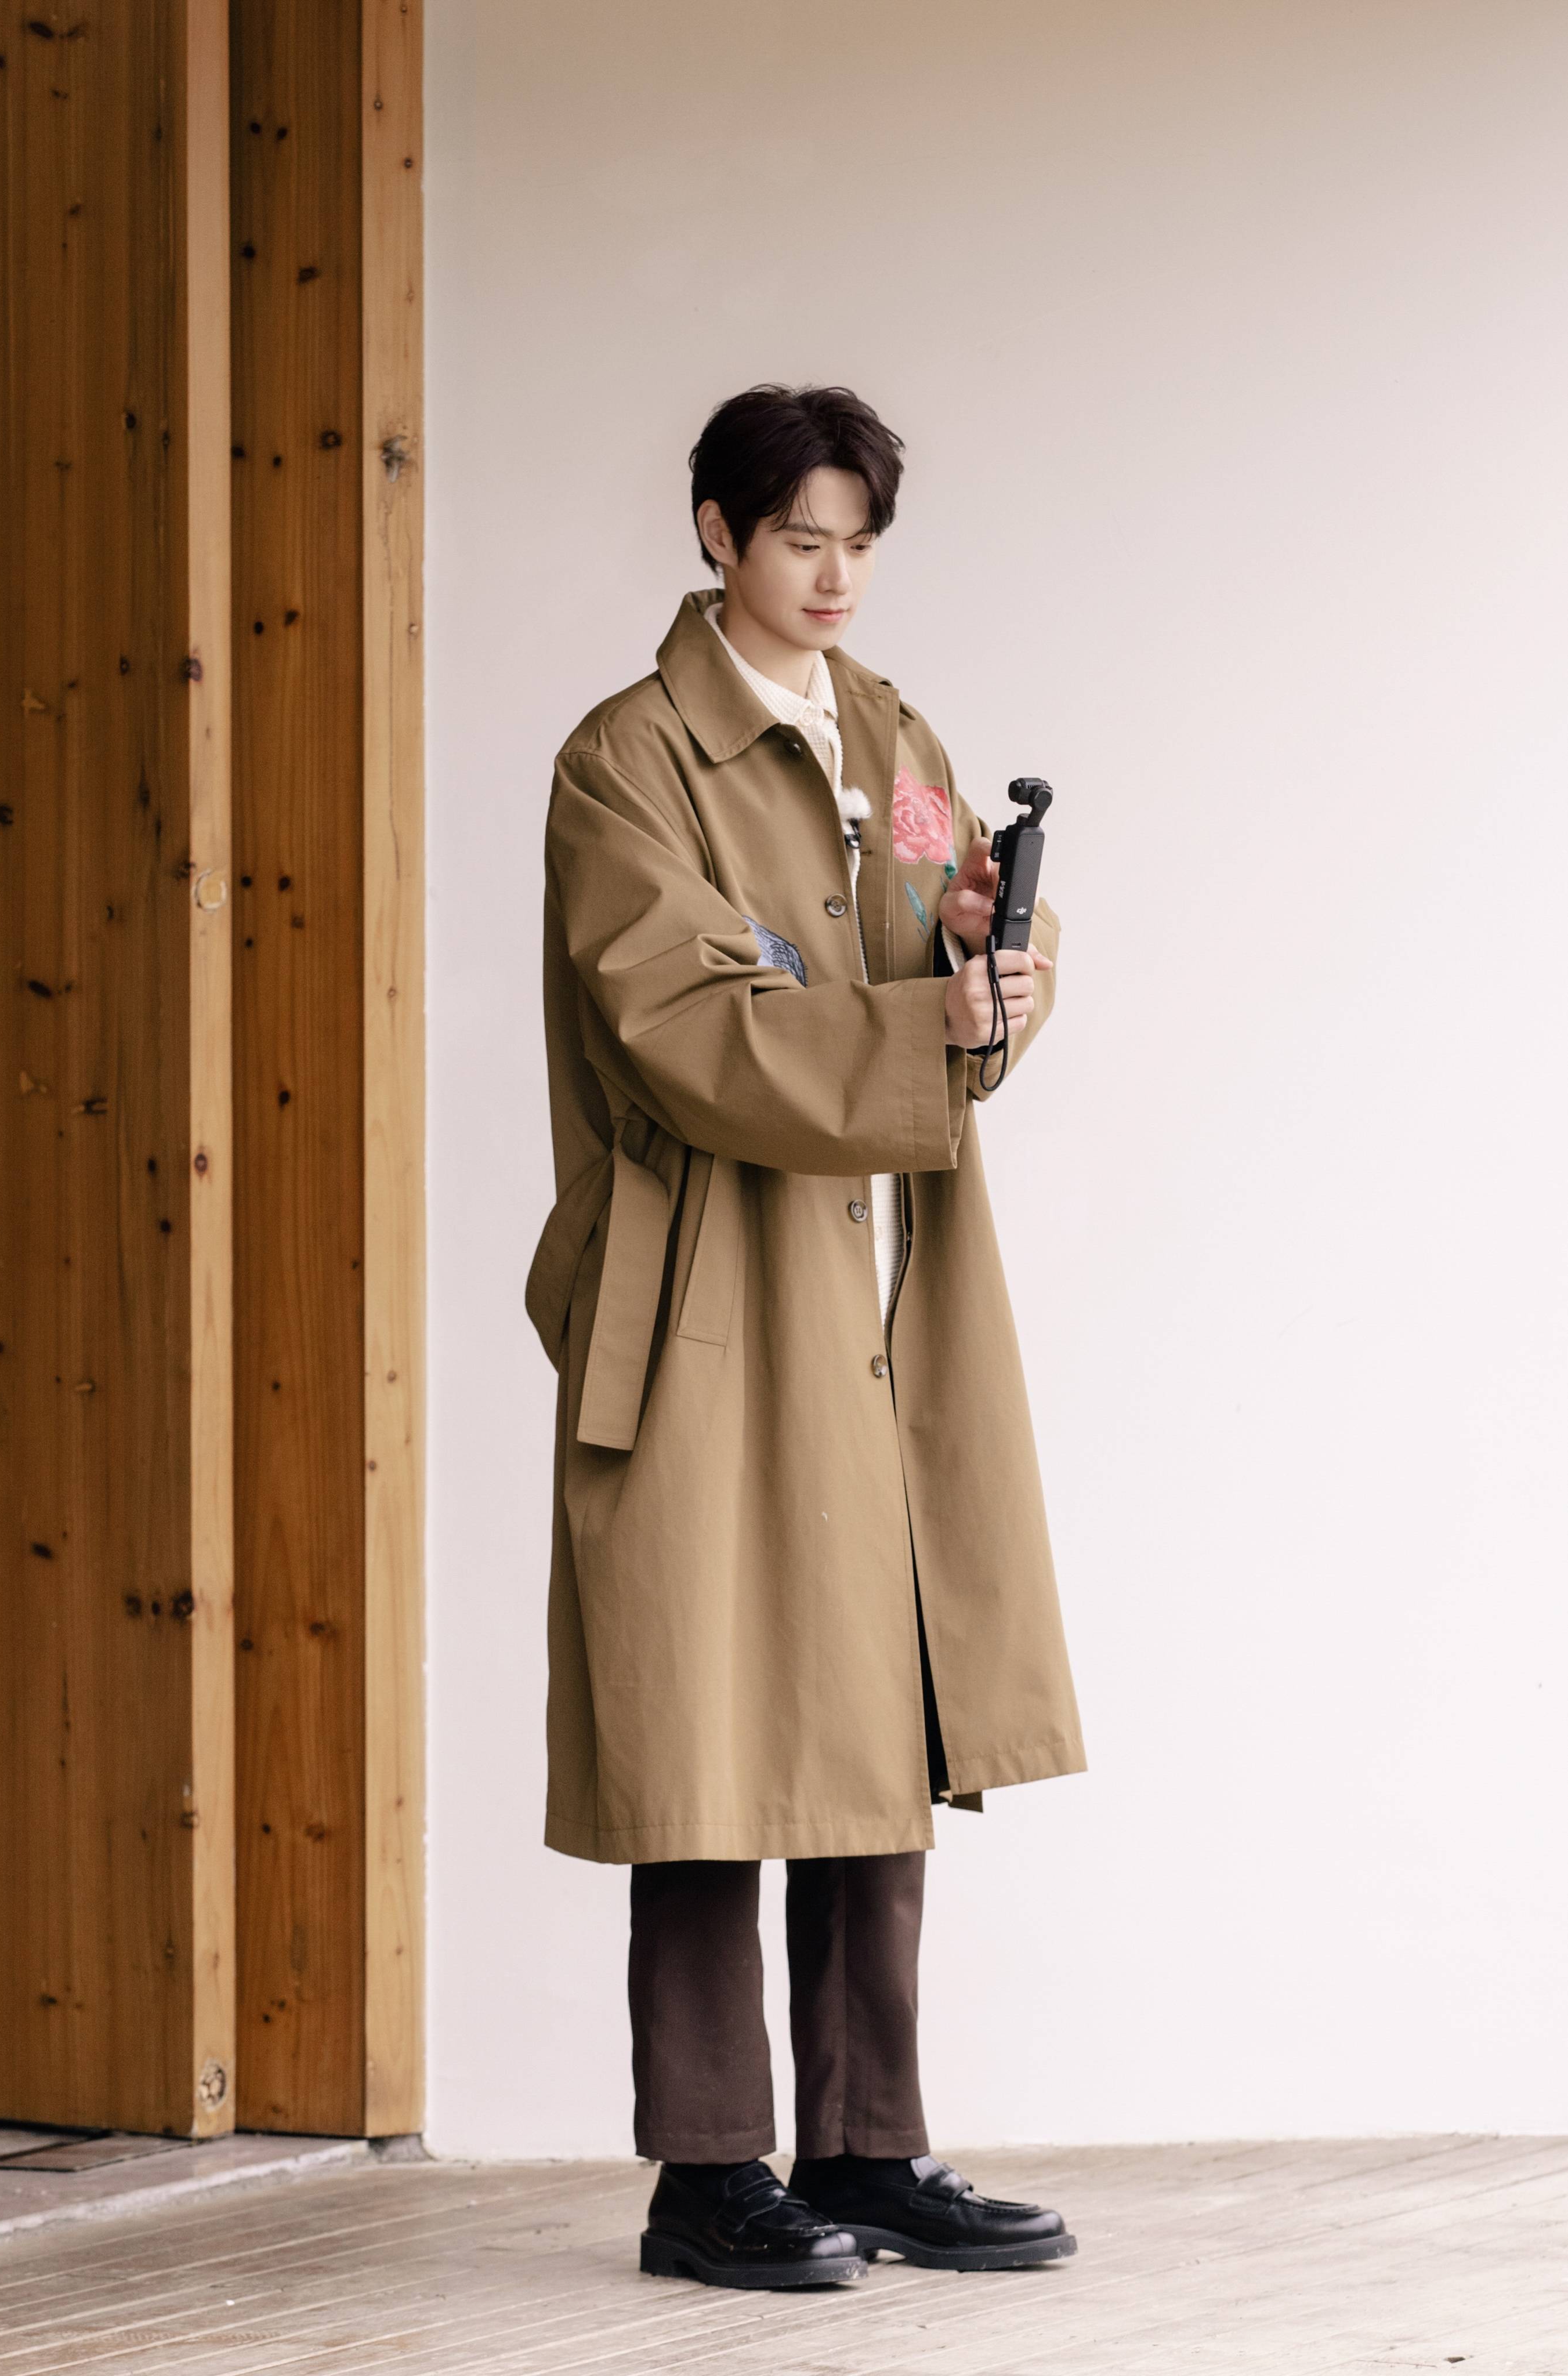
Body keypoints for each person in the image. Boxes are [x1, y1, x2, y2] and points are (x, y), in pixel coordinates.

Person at [527, 384, 1085, 2291]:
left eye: (858, 542)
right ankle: (706, 2177)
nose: (833, 577)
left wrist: (993, 969)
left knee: (871, 1709)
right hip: (707, 1283)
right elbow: (689, 1033)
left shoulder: (896, 739)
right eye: (798, 539)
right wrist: (926, 1023)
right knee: (705, 1725)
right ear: (716, 533)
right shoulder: (627, 763)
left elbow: (944, 971)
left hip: (882, 1284)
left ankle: (866, 2146)